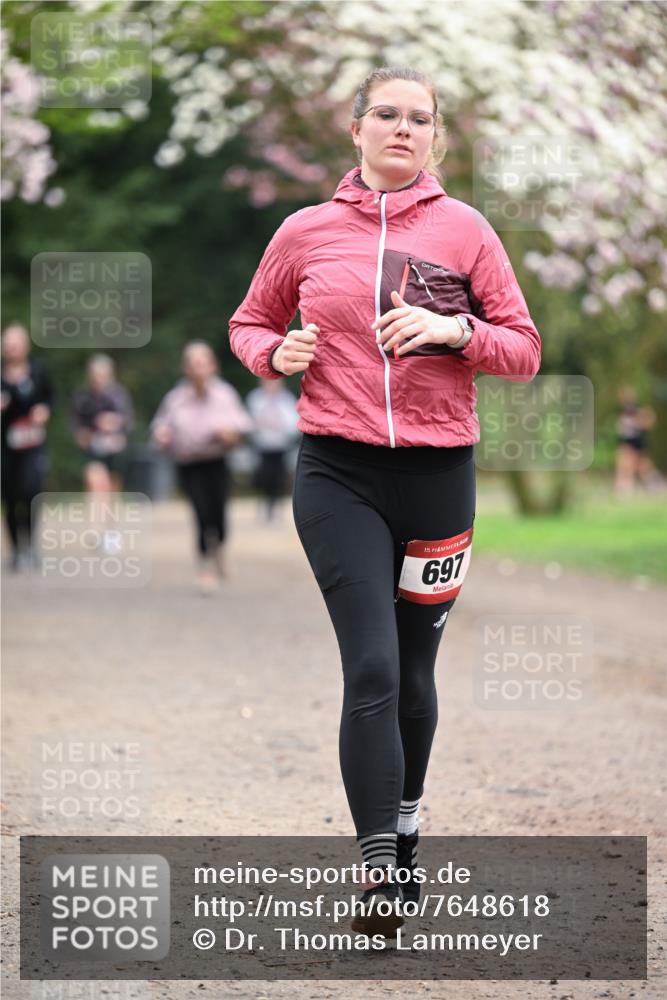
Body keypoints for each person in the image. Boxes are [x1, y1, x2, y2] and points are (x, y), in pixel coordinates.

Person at [229, 66, 541, 936]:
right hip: (337, 474)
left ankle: (405, 832)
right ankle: (377, 870)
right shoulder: (305, 232)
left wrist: (455, 331)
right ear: (356, 129)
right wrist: (271, 356)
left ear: (435, 138)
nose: (403, 129)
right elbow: (249, 322)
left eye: (420, 119)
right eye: (387, 115)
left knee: (412, 673)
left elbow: (522, 347)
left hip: (439, 477)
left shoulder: (466, 231)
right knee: (368, 665)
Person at [150, 340, 253, 594]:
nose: (198, 369)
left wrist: (230, 436)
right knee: (201, 512)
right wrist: (162, 436)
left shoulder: (225, 395)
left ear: (212, 366)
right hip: (189, 463)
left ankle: (219, 552)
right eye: (193, 364)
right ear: (185, 368)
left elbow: (243, 429)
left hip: (217, 461)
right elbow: (160, 428)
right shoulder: (175, 399)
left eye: (203, 363)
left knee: (219, 515)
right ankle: (206, 566)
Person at [1, 323, 54, 570]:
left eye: (15, 343)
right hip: (5, 445)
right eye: (7, 344)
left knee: (31, 491)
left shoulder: (38, 371)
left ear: (25, 346)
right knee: (10, 497)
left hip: (32, 444)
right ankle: (16, 550)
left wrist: (44, 410)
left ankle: (31, 544)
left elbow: (50, 398)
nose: (11, 348)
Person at [71, 354, 134, 495]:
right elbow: (76, 422)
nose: (98, 379)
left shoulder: (119, 395)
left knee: (111, 490)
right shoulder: (83, 396)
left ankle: (107, 514)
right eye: (95, 375)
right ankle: (97, 514)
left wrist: (114, 423)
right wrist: (81, 435)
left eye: (102, 375)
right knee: (96, 484)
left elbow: (128, 421)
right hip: (92, 448)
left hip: (114, 450)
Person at [246, 377, 300, 523]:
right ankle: (266, 504)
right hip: (262, 446)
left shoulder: (287, 399)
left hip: (280, 446)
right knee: (264, 477)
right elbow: (249, 421)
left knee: (278, 478)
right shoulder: (255, 398)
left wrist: (279, 424)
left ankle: (275, 506)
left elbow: (294, 423)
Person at [614, 384, 664, 495]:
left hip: (637, 442)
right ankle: (624, 490)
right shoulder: (623, 410)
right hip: (626, 442)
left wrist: (639, 422)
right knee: (626, 466)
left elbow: (649, 420)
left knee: (642, 467)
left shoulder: (636, 408)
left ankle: (658, 486)